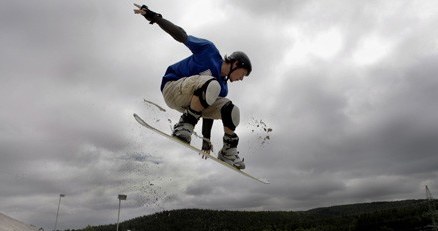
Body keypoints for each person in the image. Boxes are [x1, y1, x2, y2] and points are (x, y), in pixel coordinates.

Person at [134, 4, 252, 169]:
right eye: (243, 74)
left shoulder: (223, 87)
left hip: (191, 105)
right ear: (236, 64)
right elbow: (182, 36)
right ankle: (184, 126)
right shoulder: (209, 51)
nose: (241, 79)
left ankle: (228, 152)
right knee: (213, 85)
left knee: (231, 109)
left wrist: (206, 140)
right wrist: (155, 18)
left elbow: (208, 112)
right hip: (173, 87)